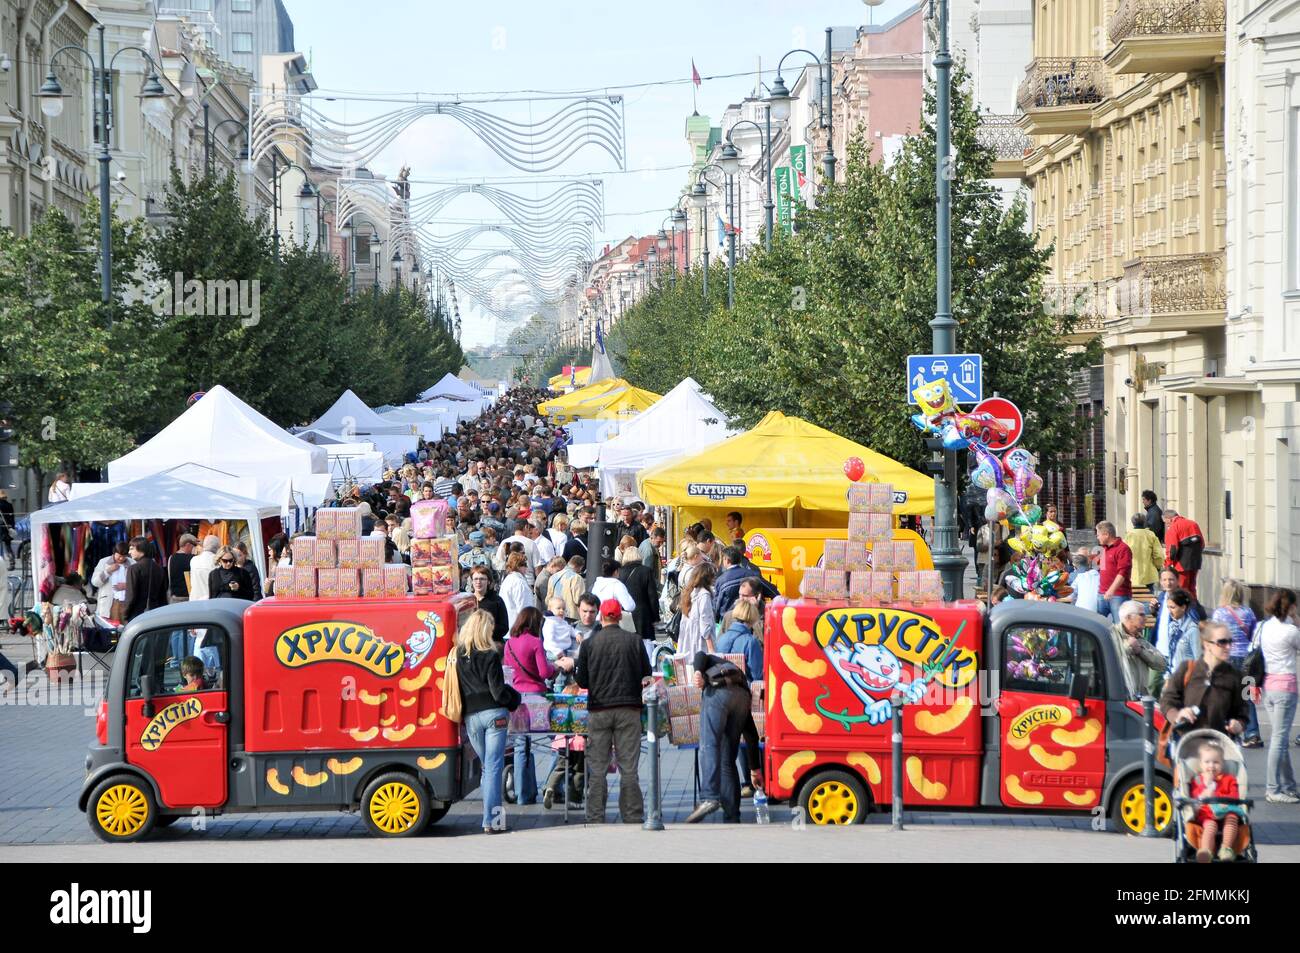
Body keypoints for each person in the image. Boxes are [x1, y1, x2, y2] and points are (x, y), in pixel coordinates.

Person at [574, 599, 651, 824]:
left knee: (597, 768)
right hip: (629, 709)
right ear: (619, 617)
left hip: (599, 710)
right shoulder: (634, 642)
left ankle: (596, 815)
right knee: (629, 767)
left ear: (601, 616)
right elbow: (646, 674)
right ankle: (632, 814)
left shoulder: (589, 644)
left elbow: (582, 681)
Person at [454, 609, 520, 834]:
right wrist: (514, 698)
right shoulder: (490, 655)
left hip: (471, 716)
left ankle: (490, 816)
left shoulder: (459, 656)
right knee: (493, 767)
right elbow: (498, 692)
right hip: (494, 715)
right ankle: (492, 821)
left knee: (487, 768)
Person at [504, 607, 573, 806]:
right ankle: (551, 785)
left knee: (520, 746)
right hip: (536, 699)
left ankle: (522, 795)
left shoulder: (509, 645)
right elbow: (544, 672)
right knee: (557, 740)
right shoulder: (535, 642)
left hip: (516, 699)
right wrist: (557, 667)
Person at [686, 650, 752, 823]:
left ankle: (709, 797)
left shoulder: (711, 661)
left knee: (709, 745)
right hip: (743, 698)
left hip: (717, 694)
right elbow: (751, 732)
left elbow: (700, 654)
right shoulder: (737, 674)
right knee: (727, 761)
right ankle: (732, 816)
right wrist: (755, 768)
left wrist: (698, 672)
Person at [1160, 621, 1247, 737]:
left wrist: (1239, 724)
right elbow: (1167, 701)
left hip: (1219, 745)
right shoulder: (1187, 669)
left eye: (1230, 641)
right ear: (1207, 645)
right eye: (1222, 642)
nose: (1228, 647)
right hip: (1188, 744)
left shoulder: (1235, 676)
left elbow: (1243, 712)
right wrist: (1178, 715)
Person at [1257, 589, 1300, 803]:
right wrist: (1297, 621)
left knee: (1278, 737)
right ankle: (1273, 788)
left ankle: (1289, 785)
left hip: (1269, 685)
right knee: (1279, 741)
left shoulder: (1266, 626)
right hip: (1286, 687)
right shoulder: (1291, 630)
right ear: (1291, 607)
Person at [1213, 579, 1261, 748]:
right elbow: (1254, 635)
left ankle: (1225, 731)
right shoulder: (1248, 613)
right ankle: (1253, 733)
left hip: (1227, 657)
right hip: (1247, 659)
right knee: (1246, 696)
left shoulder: (1219, 613)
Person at [1189, 740, 1245, 863]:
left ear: (1222, 764)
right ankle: (1206, 851)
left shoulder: (1229, 779)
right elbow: (1195, 797)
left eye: (1216, 762)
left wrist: (1222, 799)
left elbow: (1234, 796)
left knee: (1232, 818)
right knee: (1210, 826)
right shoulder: (1198, 780)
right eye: (1207, 762)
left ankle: (1226, 849)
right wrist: (1207, 787)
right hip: (1208, 814)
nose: (1211, 766)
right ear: (1201, 764)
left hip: (1226, 811)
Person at [1108, 600, 1167, 698]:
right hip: (1121, 699)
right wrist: (1128, 646)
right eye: (1142, 615)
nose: (1146, 618)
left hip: (1140, 699)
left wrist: (1140, 651)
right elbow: (1112, 658)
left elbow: (1161, 664)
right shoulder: (1112, 634)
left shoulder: (1139, 638)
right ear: (1128, 617)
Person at [617, 546, 658, 641]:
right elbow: (652, 596)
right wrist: (656, 617)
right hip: (643, 615)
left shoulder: (619, 572)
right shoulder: (646, 571)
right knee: (645, 645)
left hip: (625, 614)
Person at [677, 561, 718, 657]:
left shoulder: (689, 591)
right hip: (699, 640)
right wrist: (711, 649)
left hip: (687, 636)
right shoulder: (704, 595)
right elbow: (705, 622)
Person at [124, 537, 169, 622]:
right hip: (156, 614)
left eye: (132, 549)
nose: (129, 552)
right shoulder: (159, 568)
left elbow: (130, 596)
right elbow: (163, 596)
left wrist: (125, 614)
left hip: (137, 616)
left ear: (141, 549)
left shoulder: (134, 568)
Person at [1163, 507, 1205, 598]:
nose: (1167, 525)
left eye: (1166, 523)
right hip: (1195, 562)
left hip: (1181, 564)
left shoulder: (1174, 527)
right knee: (1192, 588)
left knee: (1181, 589)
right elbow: (1202, 543)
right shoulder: (1193, 524)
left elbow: (1172, 550)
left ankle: (1183, 610)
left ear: (1168, 519)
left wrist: (1168, 564)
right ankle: (1193, 609)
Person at [1095, 521, 1132, 620]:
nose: (1097, 537)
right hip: (1102, 593)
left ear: (1106, 534)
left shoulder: (1123, 549)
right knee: (1098, 626)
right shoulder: (1103, 549)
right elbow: (1102, 570)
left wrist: (1111, 590)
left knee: (1120, 627)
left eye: (1098, 535)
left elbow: (1123, 572)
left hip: (1118, 595)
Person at [91, 542, 132, 623]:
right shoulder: (104, 562)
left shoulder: (132, 563)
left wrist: (127, 586)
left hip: (127, 602)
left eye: (124, 556)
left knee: (126, 628)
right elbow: (95, 582)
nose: (121, 558)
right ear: (114, 553)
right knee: (110, 629)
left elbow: (139, 582)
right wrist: (107, 571)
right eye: (119, 555)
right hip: (109, 601)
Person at [591, 559, 636, 628]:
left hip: (596, 620)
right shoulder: (617, 585)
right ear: (615, 571)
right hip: (611, 621)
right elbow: (629, 606)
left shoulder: (596, 584)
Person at [713, 545, 753, 622]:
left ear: (727, 560)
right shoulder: (751, 574)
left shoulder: (720, 580)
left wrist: (716, 619)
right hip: (748, 617)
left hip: (728, 619)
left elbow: (717, 604)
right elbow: (770, 590)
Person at [1124, 513, 1163, 590]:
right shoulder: (1151, 535)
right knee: (1149, 599)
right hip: (1148, 574)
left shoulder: (1128, 535)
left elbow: (1123, 555)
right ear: (1145, 522)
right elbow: (1158, 554)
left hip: (1132, 574)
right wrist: (1158, 567)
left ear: (1132, 522)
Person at [499, 551, 535, 630]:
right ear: (518, 566)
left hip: (509, 626)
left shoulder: (507, 580)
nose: (527, 568)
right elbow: (524, 609)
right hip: (518, 629)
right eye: (524, 565)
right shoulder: (519, 583)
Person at [188, 535, 221, 601]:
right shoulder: (218, 562)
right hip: (210, 601)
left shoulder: (193, 560)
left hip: (194, 600)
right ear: (218, 548)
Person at [167, 534, 197, 604]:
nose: (194, 548)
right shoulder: (192, 558)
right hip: (188, 598)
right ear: (188, 545)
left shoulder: (171, 558)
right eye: (194, 546)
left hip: (174, 597)